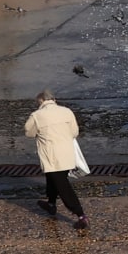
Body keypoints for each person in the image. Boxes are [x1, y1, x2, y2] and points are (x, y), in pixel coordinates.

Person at [24, 90, 88, 230]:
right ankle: (51, 204)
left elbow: (28, 132)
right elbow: (74, 132)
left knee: (62, 186)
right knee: (53, 179)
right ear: (54, 99)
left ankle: (81, 215)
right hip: (67, 154)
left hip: (51, 156)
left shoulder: (37, 115)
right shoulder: (67, 111)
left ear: (40, 101)